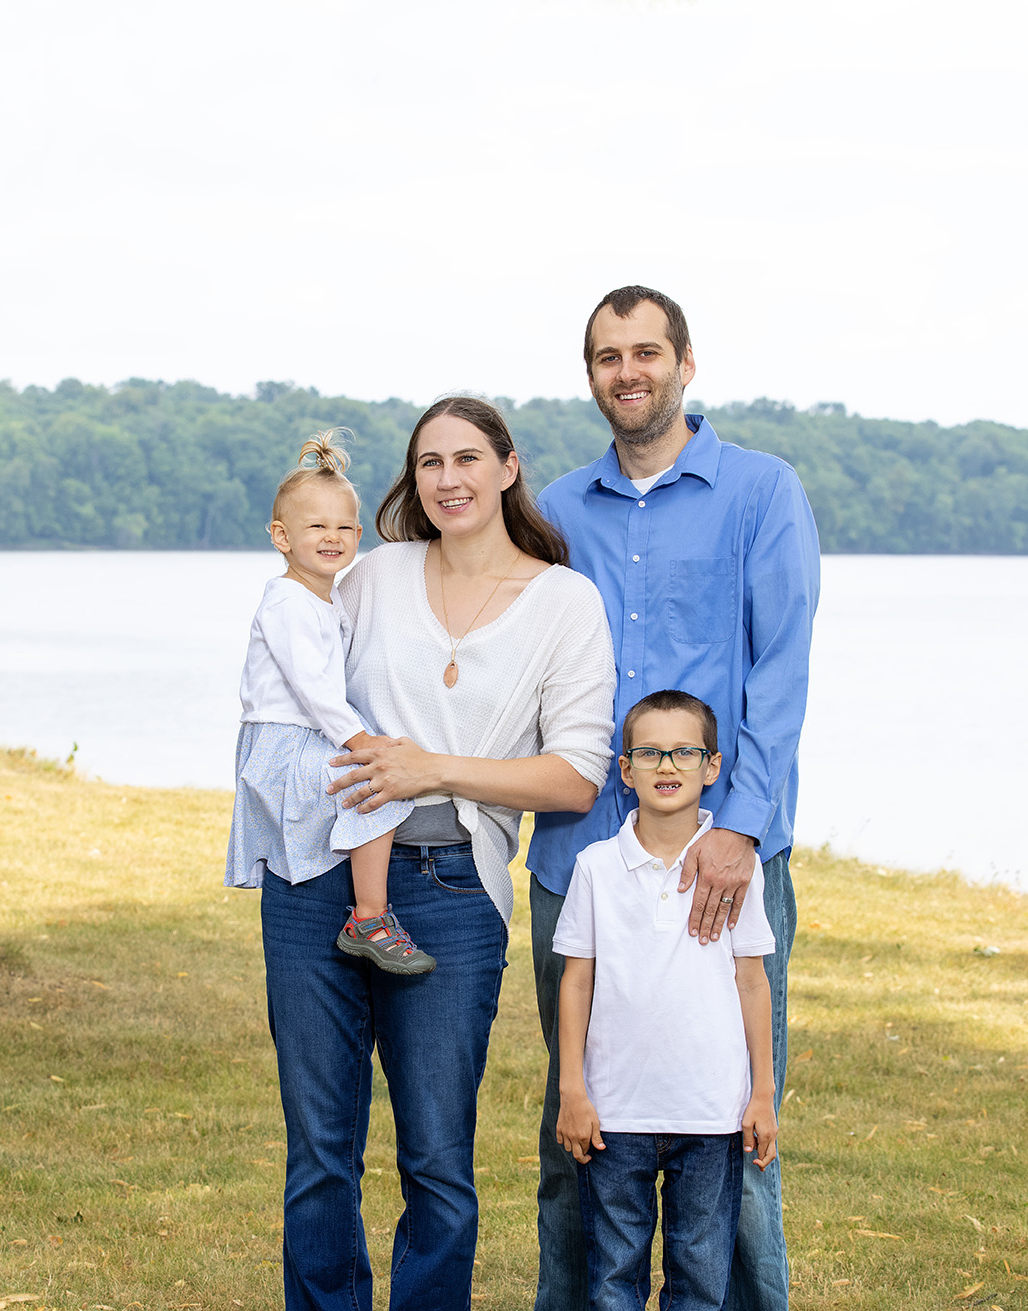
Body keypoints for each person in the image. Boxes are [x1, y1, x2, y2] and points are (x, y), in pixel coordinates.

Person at [263, 396, 617, 1311]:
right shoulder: (372, 574)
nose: (449, 478)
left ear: (506, 467)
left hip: (449, 888)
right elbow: (293, 671)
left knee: (435, 1158)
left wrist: (431, 769)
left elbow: (576, 777)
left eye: (467, 458)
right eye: (429, 463)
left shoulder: (563, 602)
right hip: (315, 881)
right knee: (320, 1149)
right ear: (412, 480)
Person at [529, 286, 820, 1311]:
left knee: (733, 1124)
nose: (628, 371)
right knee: (580, 1125)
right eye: (608, 356)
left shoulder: (762, 492)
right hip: (583, 855)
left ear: (686, 364)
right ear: (592, 376)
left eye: (646, 351)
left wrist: (737, 823)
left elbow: (780, 670)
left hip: (721, 858)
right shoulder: (557, 510)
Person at [555, 690, 777, 1311]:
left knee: (701, 1284)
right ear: (625, 771)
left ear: (713, 767)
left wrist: (762, 1094)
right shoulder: (596, 867)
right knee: (609, 1283)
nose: (667, 766)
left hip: (710, 1114)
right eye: (650, 752)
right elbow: (577, 981)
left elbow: (753, 982)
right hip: (614, 1115)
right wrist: (573, 1090)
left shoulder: (739, 872)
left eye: (684, 751)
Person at [225, 431, 432, 974]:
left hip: (305, 735)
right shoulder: (288, 601)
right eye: (316, 526)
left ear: (359, 534)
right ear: (281, 536)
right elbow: (314, 689)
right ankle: (369, 917)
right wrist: (362, 743)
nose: (332, 537)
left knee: (375, 784)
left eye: (344, 527)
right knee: (379, 786)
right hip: (283, 742)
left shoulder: (326, 597)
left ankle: (366, 911)